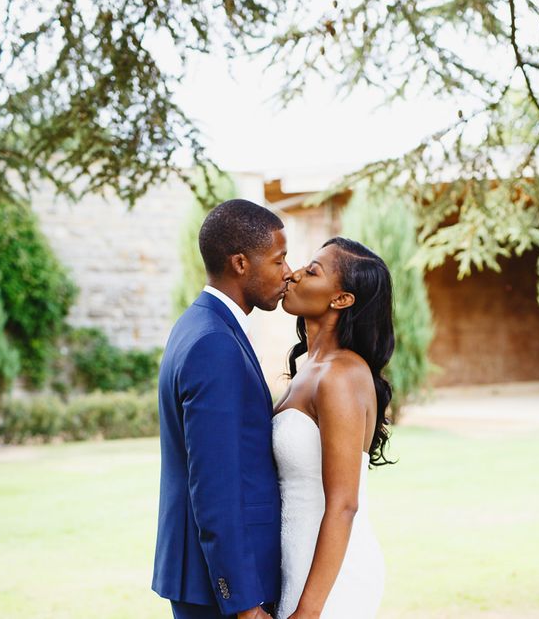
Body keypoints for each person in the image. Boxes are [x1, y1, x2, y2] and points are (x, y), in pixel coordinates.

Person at [152, 199, 292, 619]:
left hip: (210, 577)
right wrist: (244, 602)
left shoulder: (200, 324)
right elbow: (216, 484)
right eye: (278, 259)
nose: (287, 271)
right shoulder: (215, 342)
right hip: (220, 587)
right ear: (240, 263)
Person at [273, 237, 394, 619]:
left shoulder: (341, 374)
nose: (292, 275)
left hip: (331, 582)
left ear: (341, 300)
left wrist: (307, 613)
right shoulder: (309, 368)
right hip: (297, 561)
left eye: (312, 271)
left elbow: (344, 504)